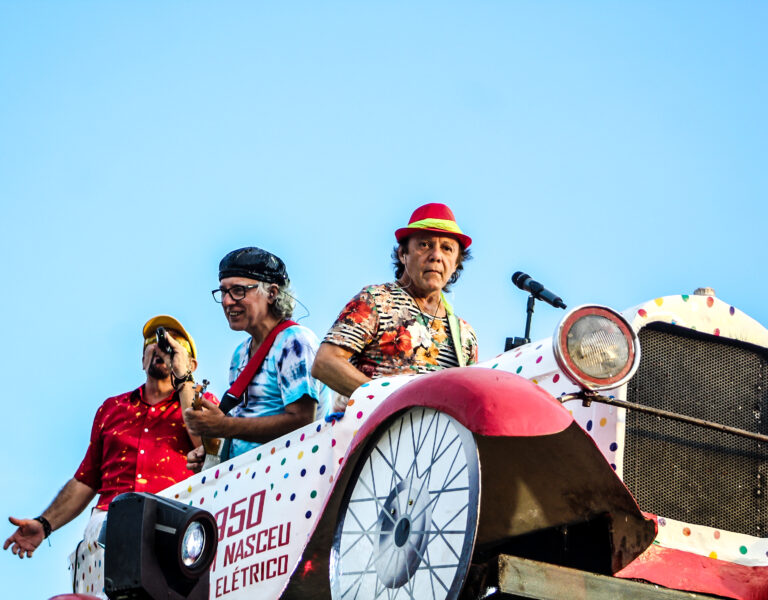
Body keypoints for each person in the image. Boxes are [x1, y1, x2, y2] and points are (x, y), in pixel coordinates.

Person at [3, 315, 214, 563]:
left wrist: (184, 381)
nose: (162, 347)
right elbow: (86, 479)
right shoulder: (112, 408)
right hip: (107, 525)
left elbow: (209, 450)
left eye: (174, 343)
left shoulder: (203, 404)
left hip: (174, 524)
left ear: (192, 363)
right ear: (141, 359)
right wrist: (45, 523)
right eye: (153, 341)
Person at [312, 203, 478, 405]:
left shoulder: (465, 336)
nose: (436, 256)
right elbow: (325, 363)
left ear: (456, 263)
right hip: (373, 433)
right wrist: (390, 404)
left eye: (447, 248)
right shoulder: (376, 300)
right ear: (403, 254)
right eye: (424, 245)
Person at [184, 247, 330, 470]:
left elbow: (302, 421)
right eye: (223, 292)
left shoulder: (295, 341)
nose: (227, 302)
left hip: (292, 477)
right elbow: (243, 425)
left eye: (239, 291)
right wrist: (215, 452)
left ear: (272, 293)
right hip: (252, 485)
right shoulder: (239, 354)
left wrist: (224, 427)